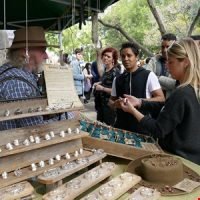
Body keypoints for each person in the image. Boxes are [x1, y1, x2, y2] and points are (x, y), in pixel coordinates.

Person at [119, 38, 200, 165]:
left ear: (185, 62)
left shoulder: (181, 94)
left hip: (179, 161)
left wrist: (133, 110)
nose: (167, 66)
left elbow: (159, 129)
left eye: (171, 62)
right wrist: (140, 102)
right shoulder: (194, 90)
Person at [0, 26, 51, 130]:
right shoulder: (18, 82)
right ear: (25, 53)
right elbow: (35, 129)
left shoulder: (9, 70)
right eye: (43, 50)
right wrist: (70, 115)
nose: (46, 56)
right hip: (16, 143)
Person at [109, 42, 165, 133]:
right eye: (123, 56)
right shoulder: (117, 79)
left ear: (136, 57)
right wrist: (115, 104)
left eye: (129, 55)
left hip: (142, 128)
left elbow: (161, 99)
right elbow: (110, 101)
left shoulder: (148, 75)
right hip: (121, 128)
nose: (125, 59)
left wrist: (139, 101)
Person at [93, 47, 120, 126]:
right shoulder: (106, 70)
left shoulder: (115, 71)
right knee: (100, 127)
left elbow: (117, 91)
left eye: (108, 56)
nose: (105, 57)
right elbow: (107, 82)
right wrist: (99, 83)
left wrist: (102, 88)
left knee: (109, 129)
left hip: (110, 107)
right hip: (101, 105)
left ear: (113, 60)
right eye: (104, 55)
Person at [145, 33, 177, 97]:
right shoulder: (154, 60)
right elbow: (147, 77)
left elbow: (175, 83)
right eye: (163, 47)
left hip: (171, 100)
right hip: (154, 101)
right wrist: (166, 84)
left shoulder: (179, 62)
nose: (165, 50)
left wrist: (157, 78)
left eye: (168, 47)